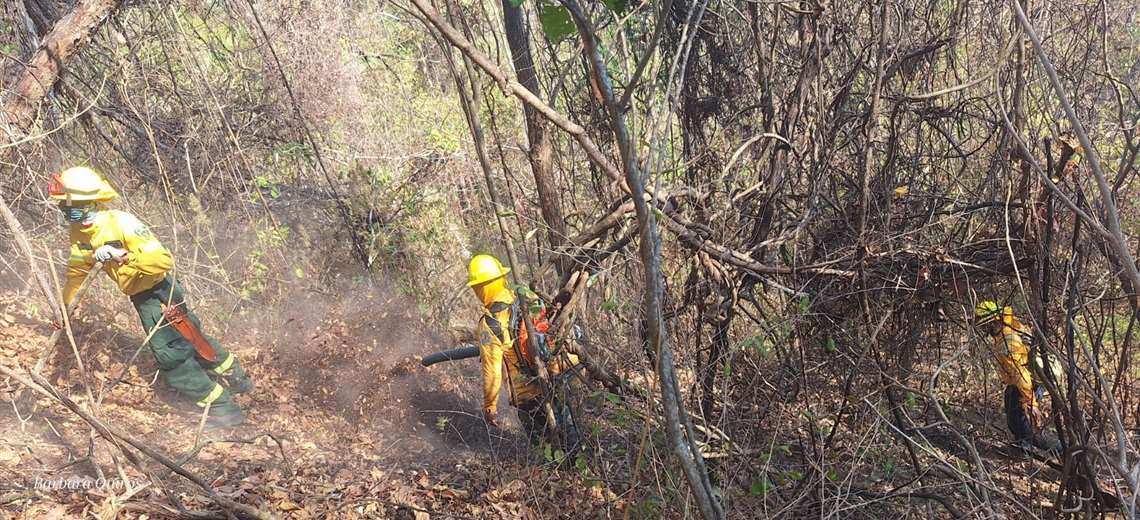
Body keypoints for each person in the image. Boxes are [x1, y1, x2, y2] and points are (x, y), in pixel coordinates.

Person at [49, 166, 253, 429]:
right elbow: (76, 272)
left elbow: (161, 261)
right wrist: (65, 308)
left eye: (66, 204)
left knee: (171, 355)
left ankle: (224, 410)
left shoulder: (120, 221)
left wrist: (120, 255)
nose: (64, 210)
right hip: (140, 296)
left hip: (157, 292)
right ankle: (239, 380)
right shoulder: (79, 233)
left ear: (84, 201)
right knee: (191, 338)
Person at [466, 254, 580, 448]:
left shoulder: (490, 324)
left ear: (480, 288)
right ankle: (582, 469)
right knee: (573, 437)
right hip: (561, 372)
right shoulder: (527, 295)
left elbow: (492, 371)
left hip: (528, 394)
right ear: (501, 277)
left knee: (545, 448)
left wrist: (490, 405)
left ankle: (556, 475)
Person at [974, 301, 1060, 452]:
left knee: (1019, 421)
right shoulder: (1010, 328)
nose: (984, 330)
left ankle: (1056, 449)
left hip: (1028, 382)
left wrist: (1032, 403)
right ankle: (1024, 445)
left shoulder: (1008, 343)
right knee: (1014, 413)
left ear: (995, 322)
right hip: (1026, 380)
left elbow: (1021, 374)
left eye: (985, 325)